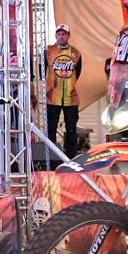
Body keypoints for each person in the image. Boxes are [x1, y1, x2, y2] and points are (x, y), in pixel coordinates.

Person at [43, 23, 84, 157]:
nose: (61, 36)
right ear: (56, 35)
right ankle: (51, 157)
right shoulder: (48, 51)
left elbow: (77, 72)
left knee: (71, 128)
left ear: (68, 36)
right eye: (59, 34)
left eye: (64, 34)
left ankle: (70, 157)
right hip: (52, 97)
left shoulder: (76, 53)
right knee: (51, 128)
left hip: (71, 97)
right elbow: (42, 71)